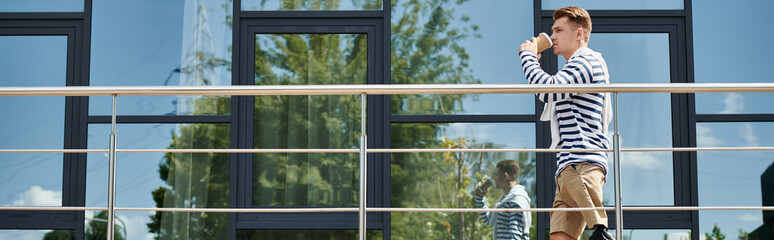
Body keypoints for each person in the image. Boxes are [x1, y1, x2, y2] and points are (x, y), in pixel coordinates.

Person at [517, 6, 616, 240]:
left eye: (559, 30)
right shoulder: (573, 67)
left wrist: (528, 57)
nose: (552, 36)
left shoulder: (586, 61)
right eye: (553, 31)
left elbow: (547, 90)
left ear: (579, 33)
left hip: (582, 162)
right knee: (560, 236)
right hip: (567, 167)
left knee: (600, 232)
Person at [474, 160, 532, 240]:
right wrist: (479, 196)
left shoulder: (516, 200)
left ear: (505, 176)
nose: (495, 179)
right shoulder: (506, 199)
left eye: (497, 175)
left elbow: (514, 236)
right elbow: (488, 219)